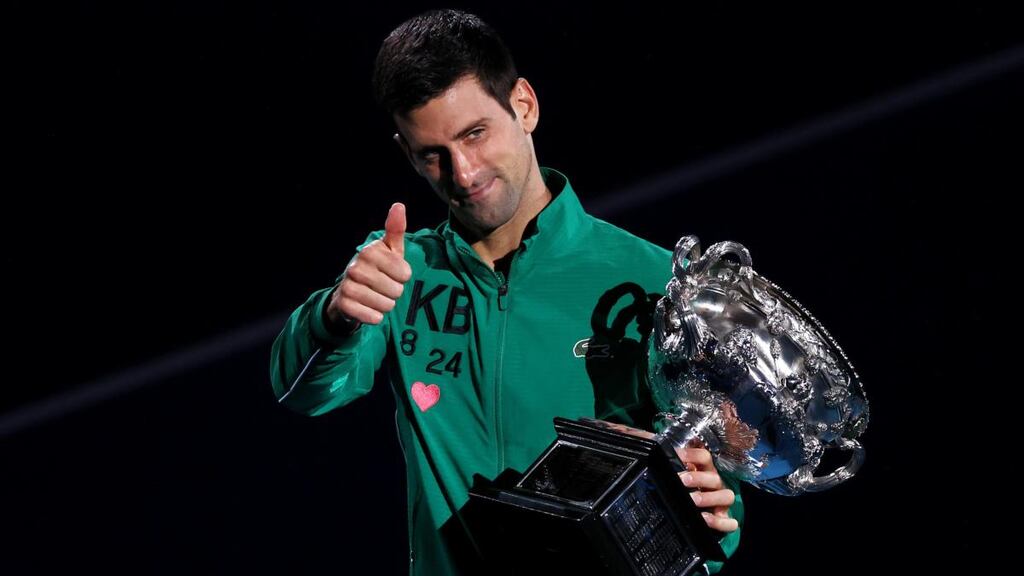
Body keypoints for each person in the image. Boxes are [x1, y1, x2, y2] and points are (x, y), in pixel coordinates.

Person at [270, 9, 742, 575]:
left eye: (475, 134)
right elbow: (302, 393)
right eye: (432, 154)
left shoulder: (653, 281)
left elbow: (714, 505)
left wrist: (712, 512)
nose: (464, 173)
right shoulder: (398, 270)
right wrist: (334, 316)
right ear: (407, 154)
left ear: (524, 105)